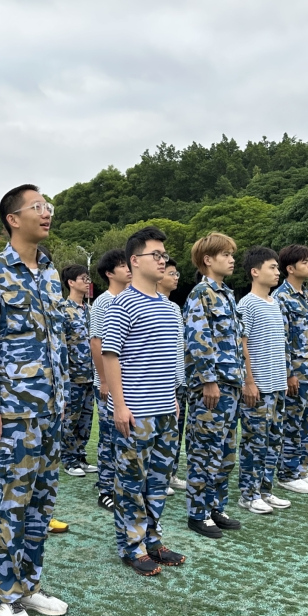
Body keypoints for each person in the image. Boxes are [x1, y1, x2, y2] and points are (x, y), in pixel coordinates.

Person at [0, 183, 70, 616]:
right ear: (13, 219)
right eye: (37, 207)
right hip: (12, 411)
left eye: (47, 206)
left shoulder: (49, 272)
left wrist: (62, 399)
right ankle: (4, 596)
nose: (46, 213)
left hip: (50, 409)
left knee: (41, 505)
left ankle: (29, 585)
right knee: (11, 504)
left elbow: (56, 341)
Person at [101, 227, 186, 575]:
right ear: (135, 261)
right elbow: (110, 356)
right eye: (156, 255)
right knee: (131, 485)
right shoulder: (122, 304)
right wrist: (120, 406)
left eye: (164, 255)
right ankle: (131, 547)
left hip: (165, 410)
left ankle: (152, 540)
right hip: (135, 413)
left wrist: (173, 399)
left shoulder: (170, 308)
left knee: (158, 483)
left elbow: (166, 358)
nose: (163, 260)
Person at [183, 233, 245, 539]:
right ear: (208, 260)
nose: (232, 260)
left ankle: (215, 506)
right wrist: (208, 380)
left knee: (225, 452)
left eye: (232, 254)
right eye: (226, 255)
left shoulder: (227, 295)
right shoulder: (201, 294)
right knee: (204, 451)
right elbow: (199, 339)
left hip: (230, 384)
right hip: (212, 386)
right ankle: (198, 513)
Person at [237, 247, 293, 515]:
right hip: (258, 388)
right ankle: (248, 495)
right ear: (255, 271)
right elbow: (242, 345)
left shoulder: (275, 304)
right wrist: (248, 381)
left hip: (277, 386)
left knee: (273, 441)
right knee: (254, 443)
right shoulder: (246, 305)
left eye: (277, 268)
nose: (277, 272)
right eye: (272, 267)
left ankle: (265, 491)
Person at [273, 245, 308, 496]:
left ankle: (301, 470)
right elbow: (282, 339)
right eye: (304, 262)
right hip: (296, 372)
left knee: (307, 423)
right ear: (290, 268)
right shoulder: (281, 298)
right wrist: (289, 373)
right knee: (292, 424)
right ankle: (287, 474)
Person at [89, 249, 132, 512]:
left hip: (130, 383)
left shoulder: (132, 299)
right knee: (109, 436)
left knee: (127, 435)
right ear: (109, 273)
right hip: (107, 384)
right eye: (122, 266)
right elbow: (97, 344)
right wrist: (104, 381)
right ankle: (105, 489)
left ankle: (122, 484)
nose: (128, 269)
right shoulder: (103, 303)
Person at [59, 264, 96, 478]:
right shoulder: (63, 310)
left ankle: (81, 456)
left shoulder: (89, 310)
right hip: (73, 376)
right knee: (70, 420)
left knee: (86, 420)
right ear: (71, 282)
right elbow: (61, 347)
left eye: (88, 278)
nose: (87, 282)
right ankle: (69, 460)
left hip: (90, 375)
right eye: (83, 278)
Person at [156, 258, 187, 495]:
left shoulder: (175, 308)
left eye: (177, 274)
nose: (176, 277)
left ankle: (170, 473)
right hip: (159, 382)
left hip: (178, 380)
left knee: (175, 431)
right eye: (171, 273)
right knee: (158, 433)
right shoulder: (149, 304)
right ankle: (158, 477)